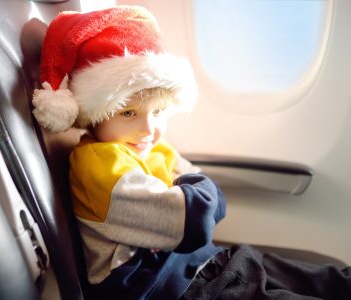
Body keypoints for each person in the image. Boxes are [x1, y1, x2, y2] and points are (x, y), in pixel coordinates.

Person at [32, 5, 351, 300]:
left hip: (202, 262)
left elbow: (205, 198)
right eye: (128, 114)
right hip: (165, 285)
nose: (148, 129)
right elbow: (192, 222)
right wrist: (198, 190)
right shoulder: (98, 164)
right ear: (96, 114)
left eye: (158, 112)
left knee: (326, 279)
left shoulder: (148, 146)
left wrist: (195, 190)